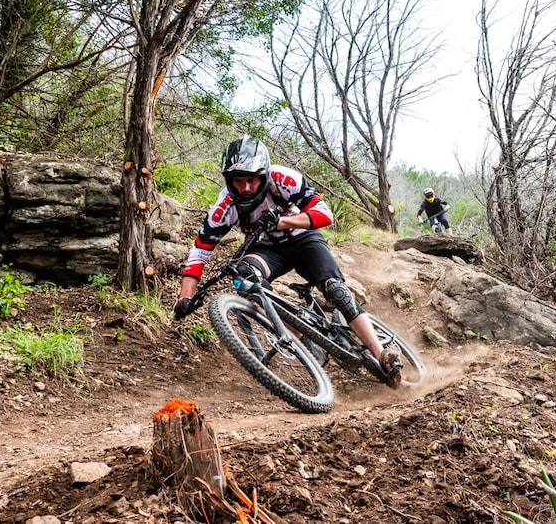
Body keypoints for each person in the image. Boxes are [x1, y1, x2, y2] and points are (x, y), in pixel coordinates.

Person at [172, 135, 403, 388]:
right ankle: (305, 339)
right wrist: (186, 296)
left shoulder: (284, 179)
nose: (246, 187)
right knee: (246, 277)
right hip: (267, 250)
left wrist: (284, 221)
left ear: (264, 175)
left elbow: (325, 215)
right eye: (239, 181)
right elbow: (200, 250)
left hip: (304, 239)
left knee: (335, 289)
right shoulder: (225, 205)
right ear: (229, 180)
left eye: (252, 180)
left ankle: (381, 353)